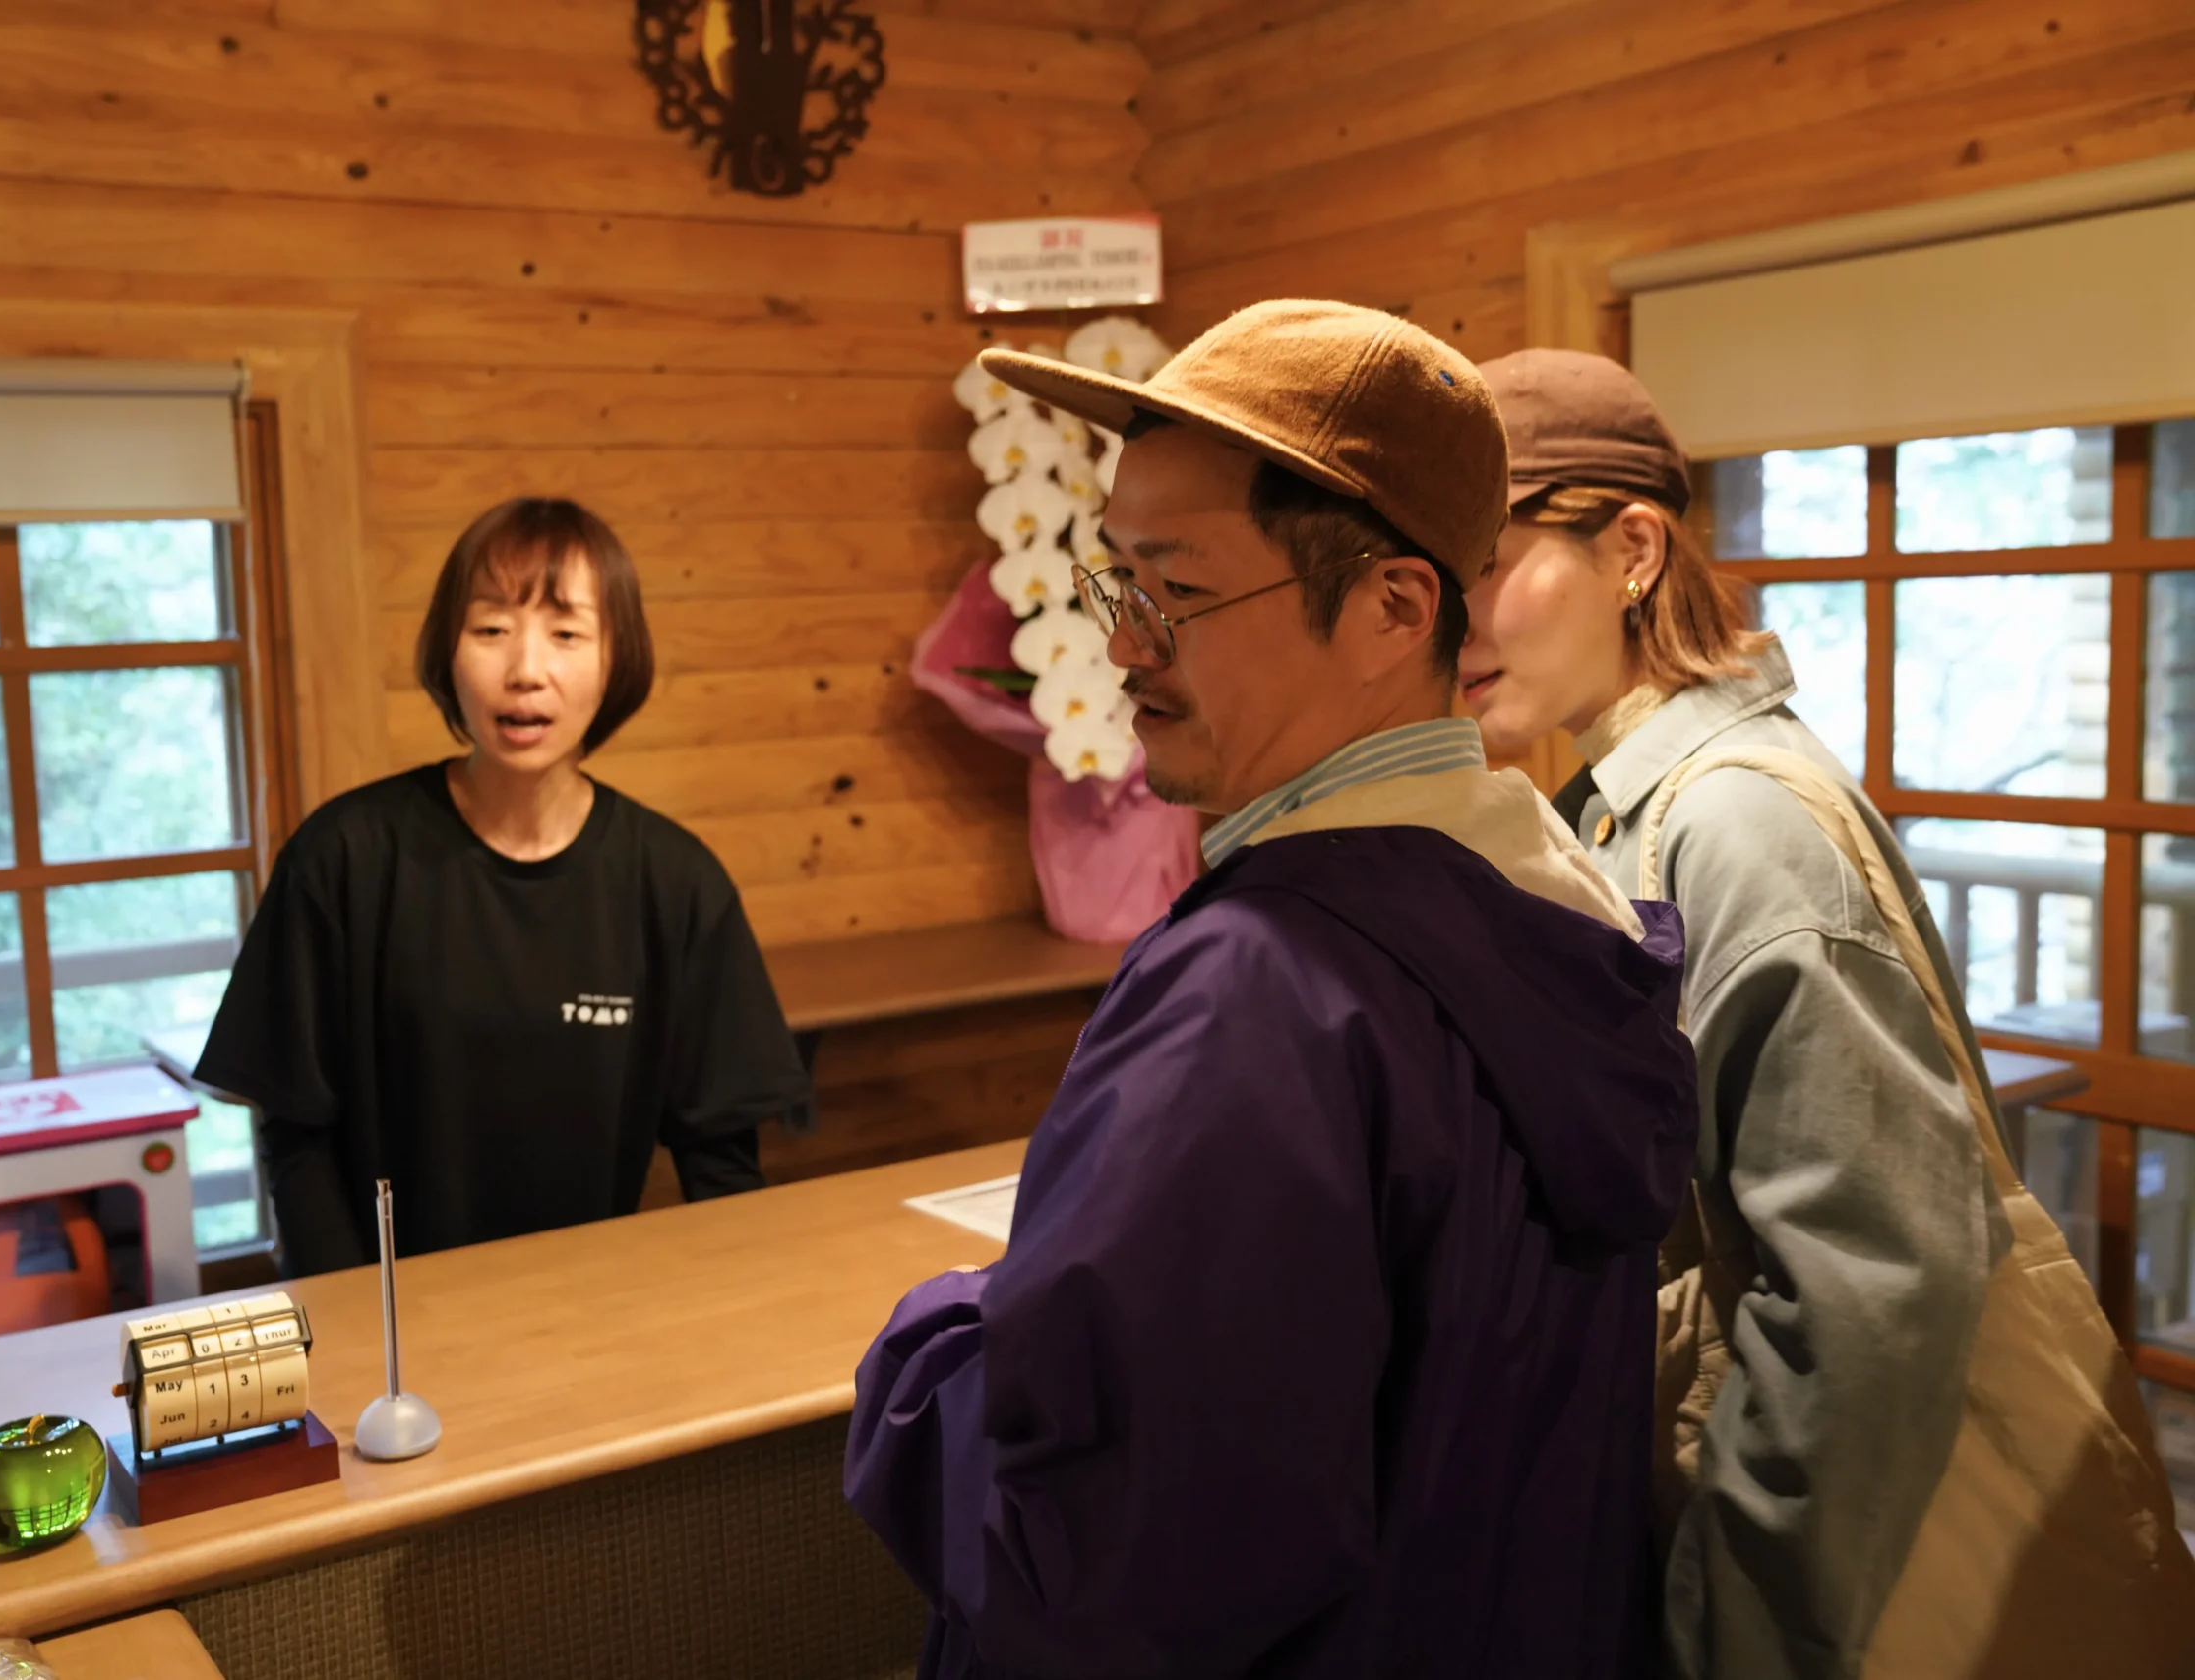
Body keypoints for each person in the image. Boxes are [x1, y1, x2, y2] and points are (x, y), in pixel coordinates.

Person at [843, 302, 1700, 1678]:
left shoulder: (1259, 995)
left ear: (1391, 607)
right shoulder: (1558, 917)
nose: (1124, 647)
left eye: (1174, 591)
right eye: (1113, 584)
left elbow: (1089, 1569)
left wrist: (932, 1338)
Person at [1459, 349, 2194, 1677]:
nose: (1453, 621)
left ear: (1632, 550)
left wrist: (1733, 1630)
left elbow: (1868, 1303)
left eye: (1486, 564)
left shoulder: (1734, 821)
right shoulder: (1634, 805)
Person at [196, 497, 810, 1276]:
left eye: (566, 634)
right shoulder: (345, 855)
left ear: (616, 659)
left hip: (587, 1304)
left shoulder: (675, 882)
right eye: (491, 630)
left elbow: (720, 1158)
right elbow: (294, 1129)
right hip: (386, 1324)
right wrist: (352, 1321)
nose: (526, 671)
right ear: (448, 653)